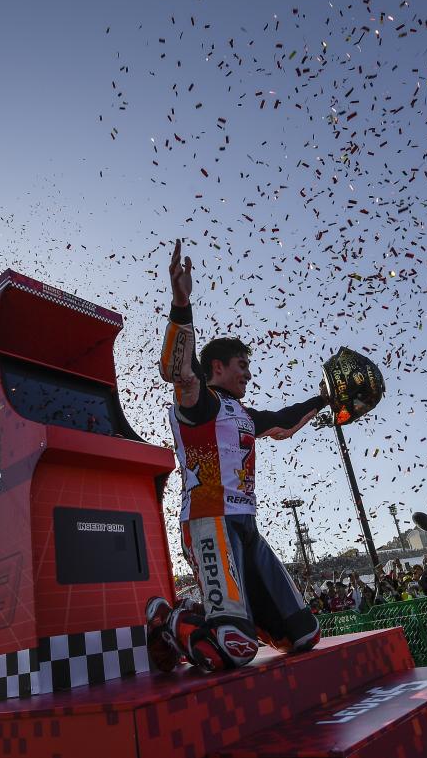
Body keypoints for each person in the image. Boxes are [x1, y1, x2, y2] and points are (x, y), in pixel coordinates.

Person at [146, 240, 340, 672]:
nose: (248, 374)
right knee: (234, 648)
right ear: (217, 367)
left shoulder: (245, 414)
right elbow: (178, 371)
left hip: (246, 526)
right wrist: (181, 304)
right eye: (241, 366)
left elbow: (285, 422)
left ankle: (215, 615)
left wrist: (325, 399)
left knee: (304, 634)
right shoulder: (199, 400)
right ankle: (166, 619)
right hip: (208, 520)